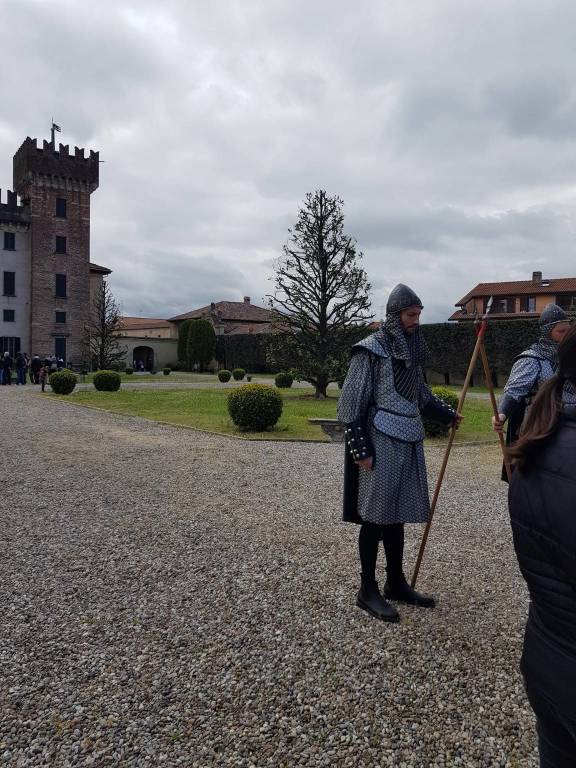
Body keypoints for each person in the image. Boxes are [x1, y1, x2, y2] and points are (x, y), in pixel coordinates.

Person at [337, 284, 461, 622]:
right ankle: (367, 589)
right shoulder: (371, 350)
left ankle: (395, 582)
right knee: (375, 518)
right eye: (411, 315)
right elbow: (350, 404)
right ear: (395, 315)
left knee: (397, 514)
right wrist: (360, 448)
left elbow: (420, 396)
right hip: (380, 442)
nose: (416, 321)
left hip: (409, 439)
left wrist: (448, 415)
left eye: (419, 315)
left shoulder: (410, 350)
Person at [508, 323, 576, 767]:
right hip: (536, 432)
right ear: (549, 328)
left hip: (541, 436)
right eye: (562, 324)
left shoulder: (555, 375)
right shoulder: (531, 361)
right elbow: (513, 396)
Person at [492, 304, 571, 448]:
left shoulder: (570, 357)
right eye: (561, 331)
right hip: (539, 425)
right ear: (548, 332)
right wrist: (502, 413)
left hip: (568, 423)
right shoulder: (531, 359)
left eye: (568, 331)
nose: (566, 335)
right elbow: (514, 390)